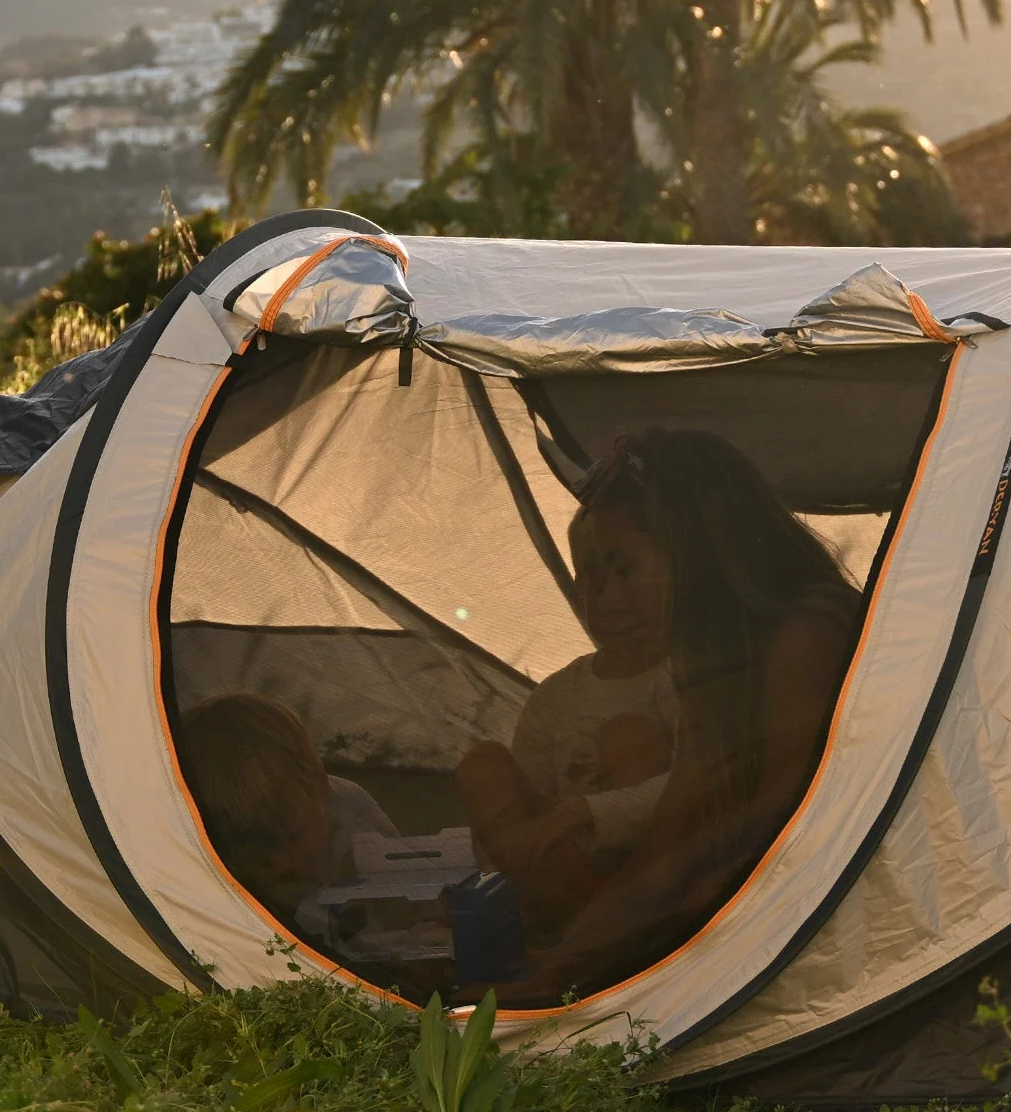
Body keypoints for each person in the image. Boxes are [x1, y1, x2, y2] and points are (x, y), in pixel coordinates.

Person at [461, 427, 862, 1008]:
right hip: (743, 909)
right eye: (598, 577)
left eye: (626, 568)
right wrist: (564, 967)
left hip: (812, 923)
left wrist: (631, 954)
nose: (613, 598)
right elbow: (671, 842)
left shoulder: (809, 634)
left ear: (693, 549)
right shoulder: (714, 656)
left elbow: (775, 843)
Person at [454, 494, 680, 933]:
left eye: (627, 575)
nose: (612, 602)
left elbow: (698, 780)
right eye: (593, 586)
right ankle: (538, 908)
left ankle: (612, 920)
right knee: (483, 765)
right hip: (566, 871)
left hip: (651, 875)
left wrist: (584, 811)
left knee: (627, 736)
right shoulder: (556, 696)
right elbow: (528, 803)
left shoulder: (685, 676)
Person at [178, 692, 399, 927]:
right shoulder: (214, 867)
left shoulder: (353, 810)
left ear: (320, 783)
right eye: (260, 852)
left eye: (292, 837)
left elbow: (402, 884)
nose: (284, 862)